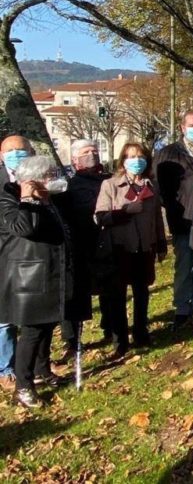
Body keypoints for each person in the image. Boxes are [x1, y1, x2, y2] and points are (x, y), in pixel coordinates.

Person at [0, 156, 72, 408]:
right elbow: (25, 228)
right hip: (28, 277)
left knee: (47, 325)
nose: (53, 179)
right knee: (31, 332)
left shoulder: (49, 200)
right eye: (48, 175)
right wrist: (28, 198)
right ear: (32, 180)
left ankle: (43, 370)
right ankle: (23, 386)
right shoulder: (10, 198)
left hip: (51, 272)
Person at [95, 143, 167, 358]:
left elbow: (156, 219)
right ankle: (120, 340)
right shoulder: (110, 185)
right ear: (123, 160)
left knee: (142, 292)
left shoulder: (151, 186)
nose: (136, 160)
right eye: (131, 156)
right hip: (119, 248)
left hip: (145, 247)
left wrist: (161, 244)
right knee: (118, 296)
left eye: (140, 156)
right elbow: (100, 217)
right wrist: (124, 212)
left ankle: (141, 331)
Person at [154, 110, 193, 330]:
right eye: (191, 125)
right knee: (184, 263)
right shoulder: (168, 153)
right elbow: (158, 186)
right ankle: (181, 307)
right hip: (183, 219)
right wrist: (174, 206)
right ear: (182, 127)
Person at [59, 140, 112, 363]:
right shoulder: (67, 184)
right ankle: (72, 340)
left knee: (110, 289)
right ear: (74, 159)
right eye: (85, 152)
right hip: (79, 245)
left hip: (107, 242)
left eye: (94, 151)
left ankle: (111, 328)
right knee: (76, 296)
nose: (91, 155)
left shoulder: (108, 180)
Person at [0, 135, 34, 391]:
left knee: (31, 315)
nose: (16, 154)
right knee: (4, 317)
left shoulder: (42, 176)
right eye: (10, 151)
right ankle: (6, 367)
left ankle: (33, 366)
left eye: (21, 150)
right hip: (4, 254)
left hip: (33, 255)